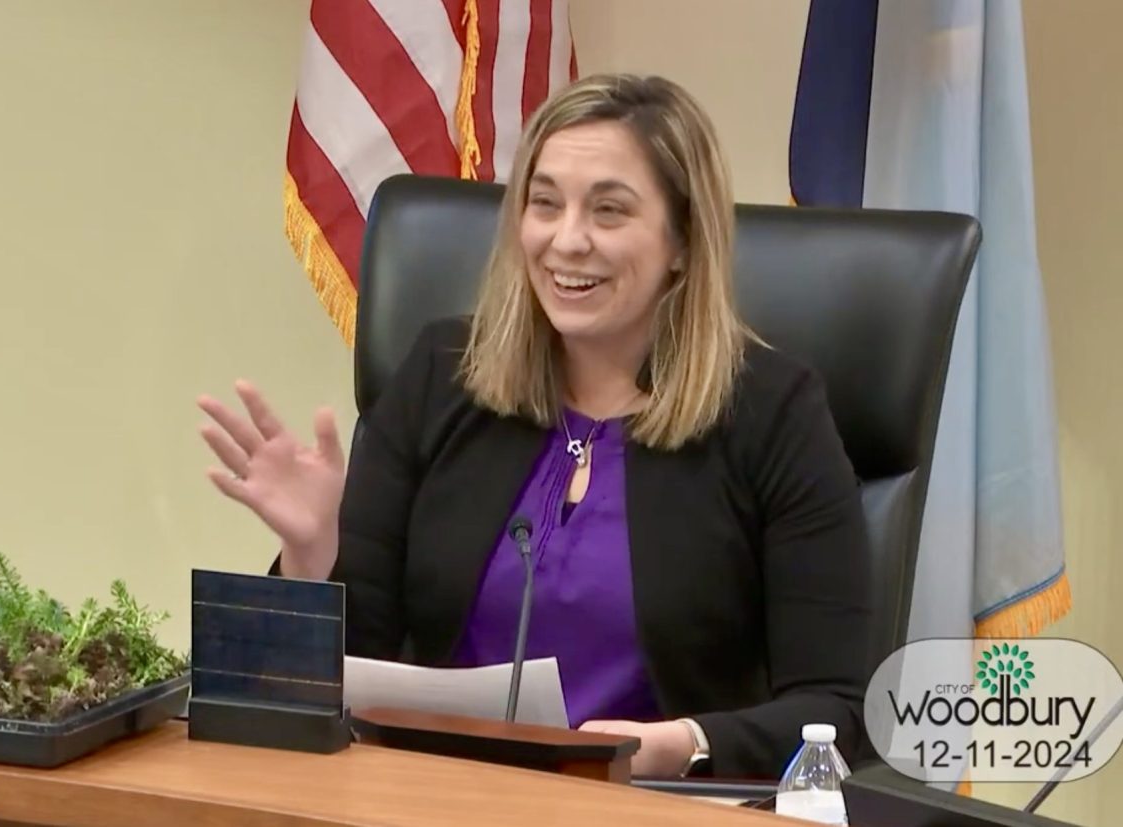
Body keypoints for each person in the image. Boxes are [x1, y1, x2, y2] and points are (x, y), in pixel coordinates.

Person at [197, 73, 872, 780]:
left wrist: (682, 742)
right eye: (543, 204)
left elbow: (835, 708)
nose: (567, 240)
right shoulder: (442, 374)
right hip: (428, 795)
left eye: (609, 211)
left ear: (683, 239)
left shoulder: (773, 412)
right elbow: (340, 670)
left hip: (647, 805)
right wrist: (311, 554)